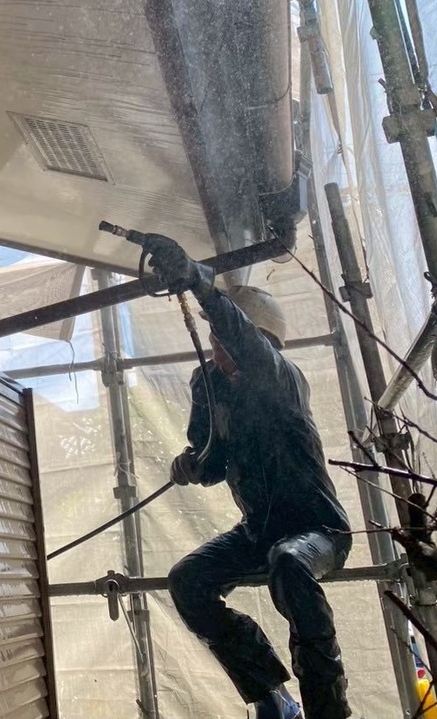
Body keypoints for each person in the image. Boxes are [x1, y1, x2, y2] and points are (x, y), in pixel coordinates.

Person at [144, 235, 352, 719]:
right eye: (215, 341)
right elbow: (213, 464)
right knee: (189, 580)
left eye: (225, 339)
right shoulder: (212, 385)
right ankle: (272, 697)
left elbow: (244, 339)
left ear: (263, 344)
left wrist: (200, 285)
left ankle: (328, 710)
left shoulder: (281, 378)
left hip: (318, 530)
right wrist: (191, 465)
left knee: (290, 562)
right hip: (259, 531)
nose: (217, 349)